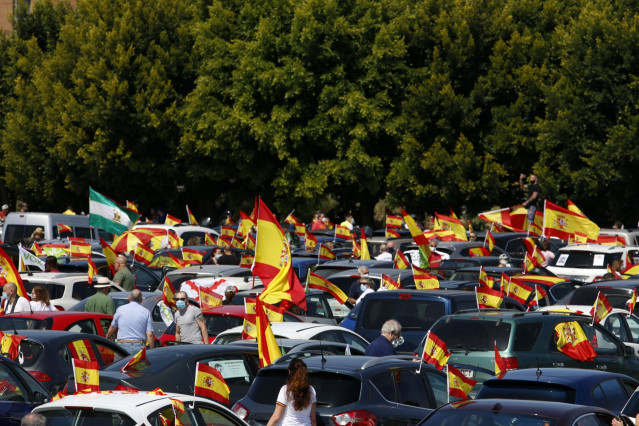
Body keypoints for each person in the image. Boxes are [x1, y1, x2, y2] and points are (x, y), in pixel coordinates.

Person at [267, 358, 317, 426]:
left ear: (289, 371)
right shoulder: (311, 390)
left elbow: (276, 417)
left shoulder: (286, 389)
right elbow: (313, 419)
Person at [106, 289, 154, 354]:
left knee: (121, 364)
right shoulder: (146, 312)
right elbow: (150, 334)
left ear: (129, 298)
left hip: (122, 345)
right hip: (139, 346)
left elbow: (113, 327)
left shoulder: (120, 309)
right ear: (141, 300)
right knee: (139, 364)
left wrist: (108, 336)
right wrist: (152, 349)